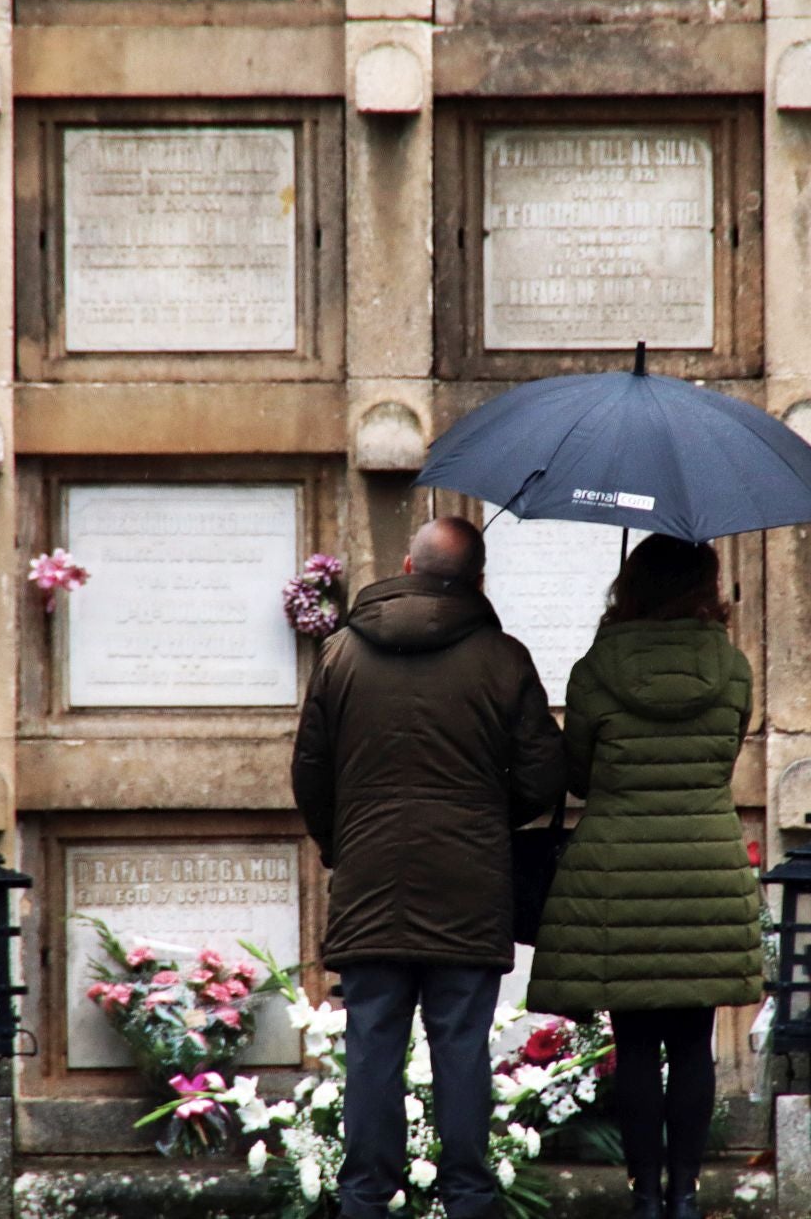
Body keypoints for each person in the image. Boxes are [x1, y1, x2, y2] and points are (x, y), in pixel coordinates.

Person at [292, 516, 566, 1219]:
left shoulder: (340, 654)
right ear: (478, 582)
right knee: (462, 1048)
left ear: (408, 570)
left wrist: (341, 844)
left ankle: (363, 1200)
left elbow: (311, 774)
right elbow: (542, 778)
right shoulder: (504, 659)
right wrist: (482, 818)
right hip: (470, 884)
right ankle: (469, 1198)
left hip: (369, 878)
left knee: (372, 1046)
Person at [524, 535, 763, 1219]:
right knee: (694, 1043)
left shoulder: (597, 669)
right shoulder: (733, 669)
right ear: (706, 586)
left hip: (616, 871)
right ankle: (687, 1197)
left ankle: (646, 1198)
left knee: (634, 1045)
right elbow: (724, 757)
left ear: (632, 584)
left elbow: (575, 775)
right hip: (706, 866)